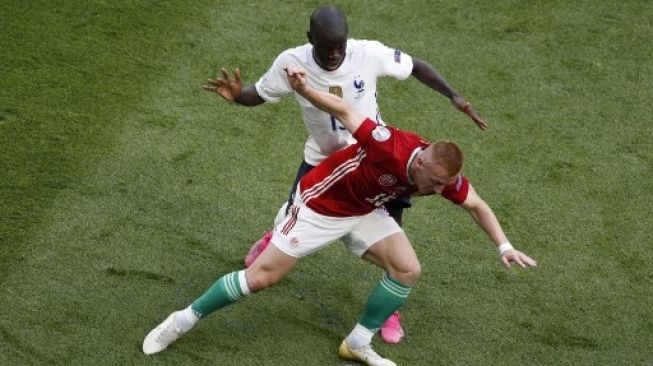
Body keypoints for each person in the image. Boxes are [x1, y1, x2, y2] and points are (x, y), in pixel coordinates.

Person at [143, 64, 536, 366]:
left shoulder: (440, 176)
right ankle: (183, 319)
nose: (435, 192)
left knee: (407, 269)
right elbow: (346, 109)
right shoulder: (389, 145)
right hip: (320, 205)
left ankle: (358, 342)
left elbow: (476, 205)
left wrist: (504, 246)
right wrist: (306, 89)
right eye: (433, 182)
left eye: (441, 185)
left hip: (365, 209)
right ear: (421, 163)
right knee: (263, 277)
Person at [202, 5, 487, 344]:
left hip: (377, 161)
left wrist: (454, 95)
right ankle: (275, 236)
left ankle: (388, 308)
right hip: (323, 160)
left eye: (341, 45)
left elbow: (415, 66)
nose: (336, 54)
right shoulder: (290, 63)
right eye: (327, 48)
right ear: (311, 41)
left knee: (394, 236)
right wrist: (237, 97)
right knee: (296, 213)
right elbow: (259, 94)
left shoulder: (367, 53)